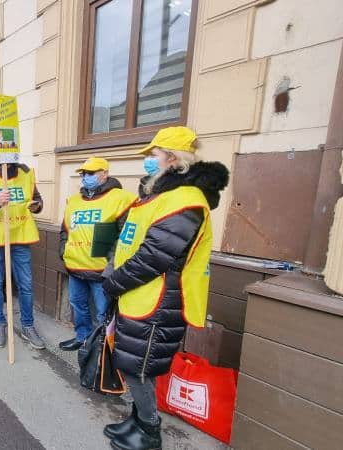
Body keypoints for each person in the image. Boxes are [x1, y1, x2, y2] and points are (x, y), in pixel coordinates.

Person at [101, 127, 229, 450]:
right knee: (136, 365)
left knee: (139, 369)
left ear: (172, 159)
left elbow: (153, 257)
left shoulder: (185, 200)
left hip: (158, 302)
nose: (149, 160)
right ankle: (137, 420)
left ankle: (149, 432)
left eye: (153, 154)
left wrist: (114, 282)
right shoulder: (162, 195)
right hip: (140, 297)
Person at [58, 157, 135, 351]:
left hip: (101, 270)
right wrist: (63, 250)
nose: (85, 177)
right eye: (83, 173)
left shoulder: (121, 199)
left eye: (90, 173)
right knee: (78, 305)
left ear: (105, 174)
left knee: (103, 312)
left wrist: (113, 263)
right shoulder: (74, 200)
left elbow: (125, 235)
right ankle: (83, 338)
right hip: (75, 265)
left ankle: (102, 348)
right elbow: (65, 230)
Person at [0, 162, 45, 350]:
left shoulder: (26, 172)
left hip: (20, 236)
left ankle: (28, 326)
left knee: (26, 285)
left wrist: (36, 206)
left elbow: (36, 199)